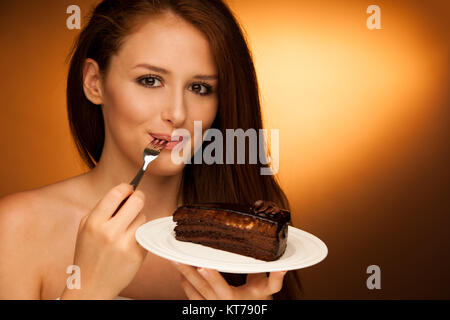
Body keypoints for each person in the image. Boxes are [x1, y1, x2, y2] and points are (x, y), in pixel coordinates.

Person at [0, 0, 302, 300]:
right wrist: (89, 289)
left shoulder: (251, 237)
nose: (177, 113)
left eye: (199, 88)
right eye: (150, 80)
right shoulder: (17, 229)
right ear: (95, 83)